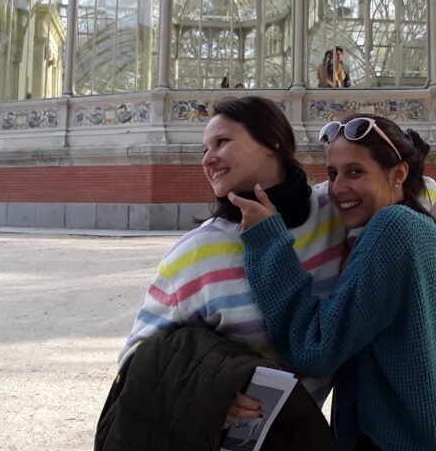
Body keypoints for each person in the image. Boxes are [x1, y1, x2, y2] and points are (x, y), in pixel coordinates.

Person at [230, 114, 436, 451]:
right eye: (333, 174)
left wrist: (268, 243)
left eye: (356, 172)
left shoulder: (392, 228)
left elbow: (316, 350)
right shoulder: (422, 228)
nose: (337, 188)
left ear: (398, 174)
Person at [119, 97, 348, 405]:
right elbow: (136, 359)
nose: (207, 160)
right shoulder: (199, 252)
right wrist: (209, 395)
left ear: (272, 142)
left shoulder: (336, 213)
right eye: (204, 150)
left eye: (222, 142)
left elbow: (420, 189)